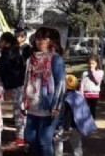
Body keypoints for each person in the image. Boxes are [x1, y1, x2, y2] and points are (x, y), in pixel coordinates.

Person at [20, 26, 66, 156]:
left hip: (48, 106)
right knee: (30, 137)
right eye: (38, 39)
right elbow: (26, 81)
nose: (41, 42)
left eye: (45, 39)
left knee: (44, 140)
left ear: (51, 41)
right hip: (32, 106)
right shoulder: (31, 59)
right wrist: (23, 101)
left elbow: (61, 84)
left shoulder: (56, 59)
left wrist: (56, 106)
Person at [0, 32, 26, 146]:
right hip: (18, 84)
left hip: (13, 85)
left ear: (6, 42)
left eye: (1, 40)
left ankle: (21, 137)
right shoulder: (15, 52)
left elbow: (4, 71)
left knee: (18, 110)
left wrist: (7, 87)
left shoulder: (7, 54)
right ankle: (21, 135)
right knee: (19, 110)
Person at [54, 75, 97, 156]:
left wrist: (66, 127)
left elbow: (68, 114)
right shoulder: (79, 95)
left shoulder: (66, 98)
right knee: (77, 144)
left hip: (66, 125)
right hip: (77, 126)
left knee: (58, 142)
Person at [79, 54, 104, 119]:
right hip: (86, 94)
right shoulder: (85, 73)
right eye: (89, 63)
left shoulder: (100, 72)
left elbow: (97, 80)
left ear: (97, 64)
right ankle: (85, 122)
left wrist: (93, 71)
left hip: (94, 94)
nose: (91, 65)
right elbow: (82, 84)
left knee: (92, 109)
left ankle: (92, 121)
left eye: (93, 63)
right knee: (85, 109)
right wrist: (81, 94)